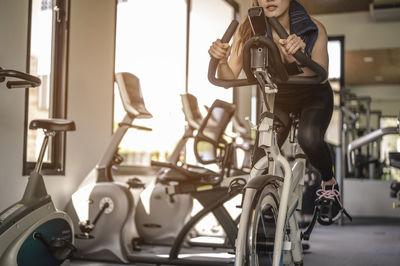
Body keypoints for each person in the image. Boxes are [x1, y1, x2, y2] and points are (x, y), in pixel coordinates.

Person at [208, 0, 350, 225]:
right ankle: (267, 204)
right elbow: (228, 77)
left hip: (314, 96)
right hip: (279, 99)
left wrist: (299, 59)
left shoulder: (314, 28)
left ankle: (329, 182)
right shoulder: (248, 30)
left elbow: (321, 75)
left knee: (309, 138)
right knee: (261, 157)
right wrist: (220, 60)